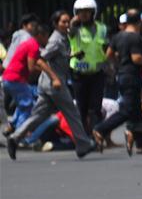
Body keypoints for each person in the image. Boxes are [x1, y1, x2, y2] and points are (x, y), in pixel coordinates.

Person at [7, 11, 98, 160]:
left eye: (68, 21)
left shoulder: (62, 38)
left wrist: (73, 56)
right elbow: (40, 59)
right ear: (56, 24)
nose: (67, 24)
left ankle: (15, 138)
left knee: (39, 115)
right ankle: (83, 144)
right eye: (63, 22)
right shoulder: (56, 40)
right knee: (72, 112)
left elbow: (57, 56)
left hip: (48, 84)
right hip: (54, 84)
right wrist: (55, 78)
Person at [92, 9, 142, 154]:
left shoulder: (118, 37)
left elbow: (109, 54)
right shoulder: (135, 38)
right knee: (126, 111)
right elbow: (136, 58)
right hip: (132, 76)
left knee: (136, 110)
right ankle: (101, 129)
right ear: (139, 23)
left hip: (123, 75)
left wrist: (119, 64)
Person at [69, 0, 109, 133]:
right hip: (79, 74)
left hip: (97, 73)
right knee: (82, 108)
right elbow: (69, 32)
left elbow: (106, 47)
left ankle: (96, 134)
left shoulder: (102, 28)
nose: (84, 14)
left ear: (93, 12)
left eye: (87, 11)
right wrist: (73, 23)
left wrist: (109, 66)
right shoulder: (74, 29)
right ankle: (83, 137)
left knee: (96, 108)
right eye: (80, 11)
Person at [2, 21, 44, 131]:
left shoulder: (26, 42)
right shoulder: (33, 45)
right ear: (41, 35)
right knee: (28, 105)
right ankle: (21, 133)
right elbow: (32, 67)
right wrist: (46, 71)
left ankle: (13, 125)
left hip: (9, 78)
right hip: (16, 79)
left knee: (23, 103)